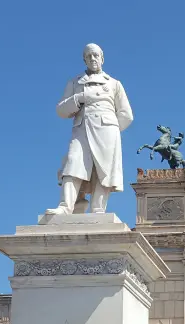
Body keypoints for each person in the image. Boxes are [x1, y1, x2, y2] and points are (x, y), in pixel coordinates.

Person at [44, 44, 133, 219]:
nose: (93, 59)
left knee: (104, 169)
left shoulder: (114, 84)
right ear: (84, 60)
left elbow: (126, 114)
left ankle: (98, 210)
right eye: (89, 56)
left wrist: (113, 129)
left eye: (95, 55)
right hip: (82, 128)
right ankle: (66, 206)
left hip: (107, 131)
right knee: (73, 163)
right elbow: (61, 110)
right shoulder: (75, 82)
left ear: (102, 58)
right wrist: (78, 98)